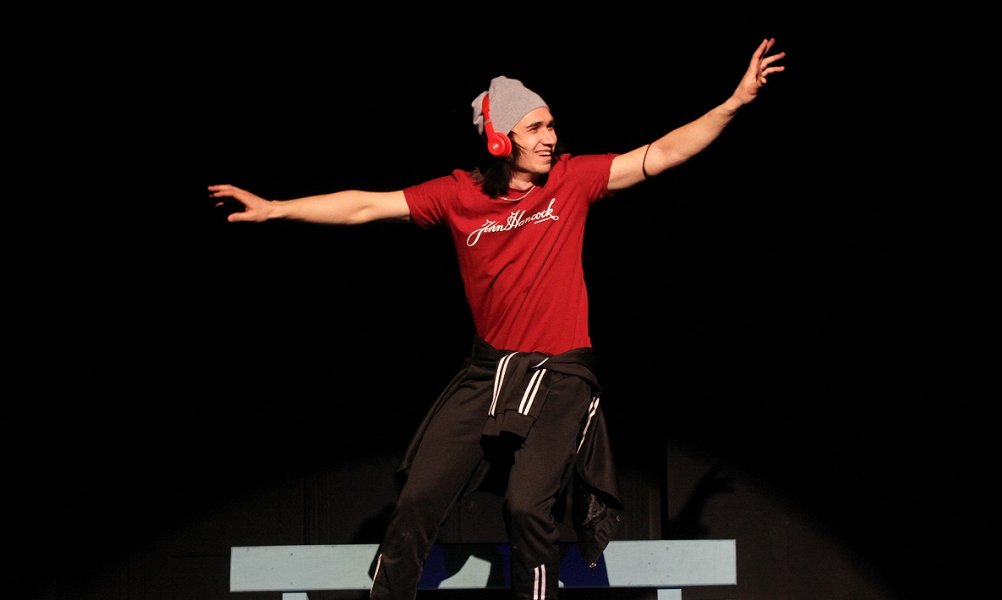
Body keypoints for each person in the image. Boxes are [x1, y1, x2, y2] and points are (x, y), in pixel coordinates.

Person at [209, 38, 785, 600]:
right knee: (417, 498)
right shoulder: (457, 195)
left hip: (561, 373)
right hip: (489, 371)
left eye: (551, 126)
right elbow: (365, 204)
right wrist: (276, 208)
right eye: (535, 128)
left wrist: (733, 103)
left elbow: (663, 152)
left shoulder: (571, 181)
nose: (551, 138)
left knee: (527, 506)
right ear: (498, 138)